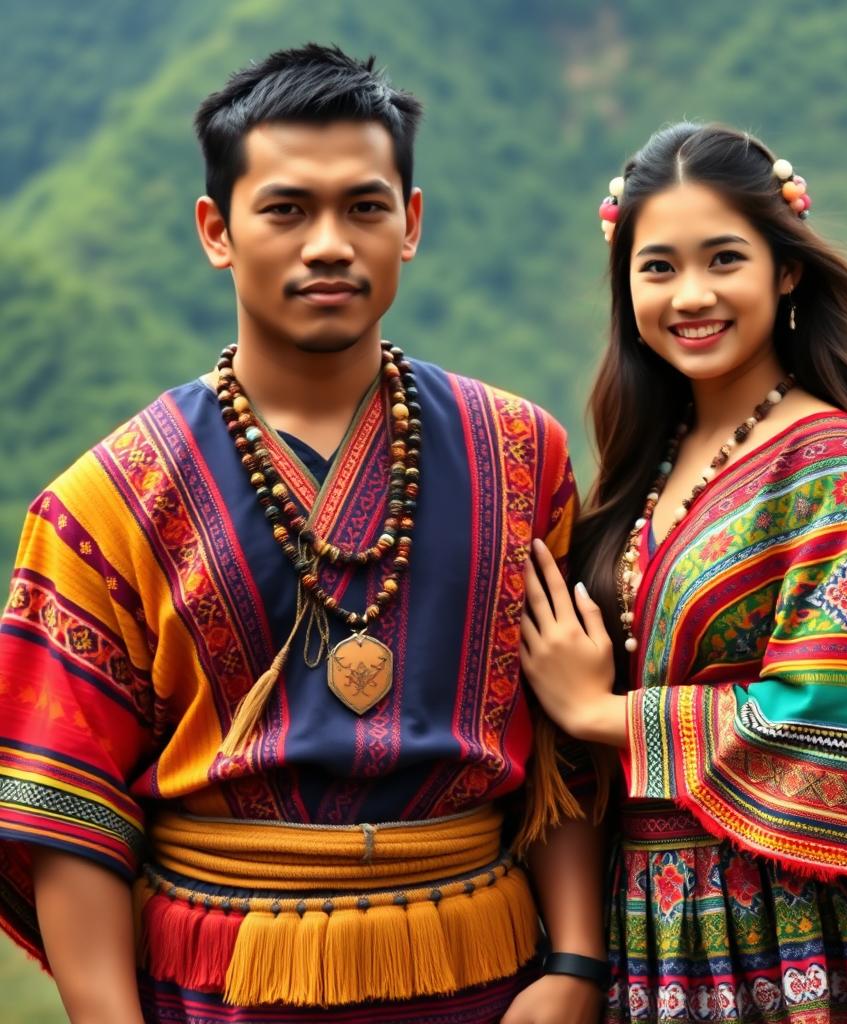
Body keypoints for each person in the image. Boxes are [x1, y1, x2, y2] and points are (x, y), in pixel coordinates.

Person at [0, 44, 607, 1024]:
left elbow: (560, 753)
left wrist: (575, 968)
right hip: (218, 984)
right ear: (216, 230)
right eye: (286, 210)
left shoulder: (521, 456)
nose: (329, 244)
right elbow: (68, 810)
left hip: (484, 975)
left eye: (364, 208)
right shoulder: (105, 504)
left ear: (409, 225)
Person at [519, 122, 847, 1022]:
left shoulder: (832, 465)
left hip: (789, 932)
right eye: (657, 267)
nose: (690, 294)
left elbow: (837, 716)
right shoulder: (647, 465)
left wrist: (601, 711)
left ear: (785, 271)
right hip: (648, 931)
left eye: (723, 260)